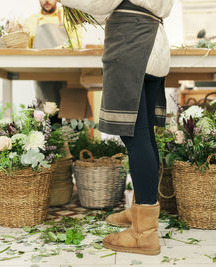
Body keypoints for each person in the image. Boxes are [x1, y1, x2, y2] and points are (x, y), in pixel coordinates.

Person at [59, 0, 174, 256]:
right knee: (145, 137)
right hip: (150, 38)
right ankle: (141, 212)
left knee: (136, 136)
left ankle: (144, 234)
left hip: (133, 42)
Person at [24, 0, 82, 106]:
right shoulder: (30, 21)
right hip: (42, 75)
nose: (47, 1)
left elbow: (76, 44)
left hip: (67, 72)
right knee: (47, 115)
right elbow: (25, 49)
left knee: (70, 112)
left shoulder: (68, 18)